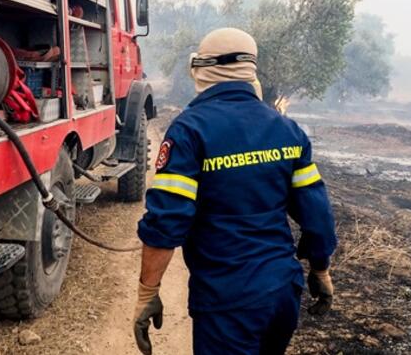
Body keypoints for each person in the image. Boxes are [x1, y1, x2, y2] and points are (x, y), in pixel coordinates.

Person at [132, 27, 338, 355]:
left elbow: (166, 222)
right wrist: (320, 268)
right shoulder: (287, 129)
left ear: (200, 69)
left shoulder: (190, 130)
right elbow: (317, 211)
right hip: (283, 293)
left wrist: (147, 293)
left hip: (226, 302)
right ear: (250, 70)